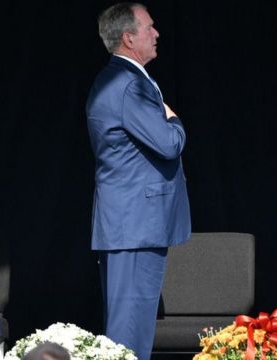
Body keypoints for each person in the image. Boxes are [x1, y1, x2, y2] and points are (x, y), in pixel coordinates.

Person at [85, 3, 191, 360]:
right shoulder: (128, 84)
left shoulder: (124, 79)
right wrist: (174, 121)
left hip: (130, 223)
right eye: (149, 27)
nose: (157, 33)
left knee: (130, 331)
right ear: (129, 38)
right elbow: (168, 143)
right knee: (128, 335)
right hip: (134, 225)